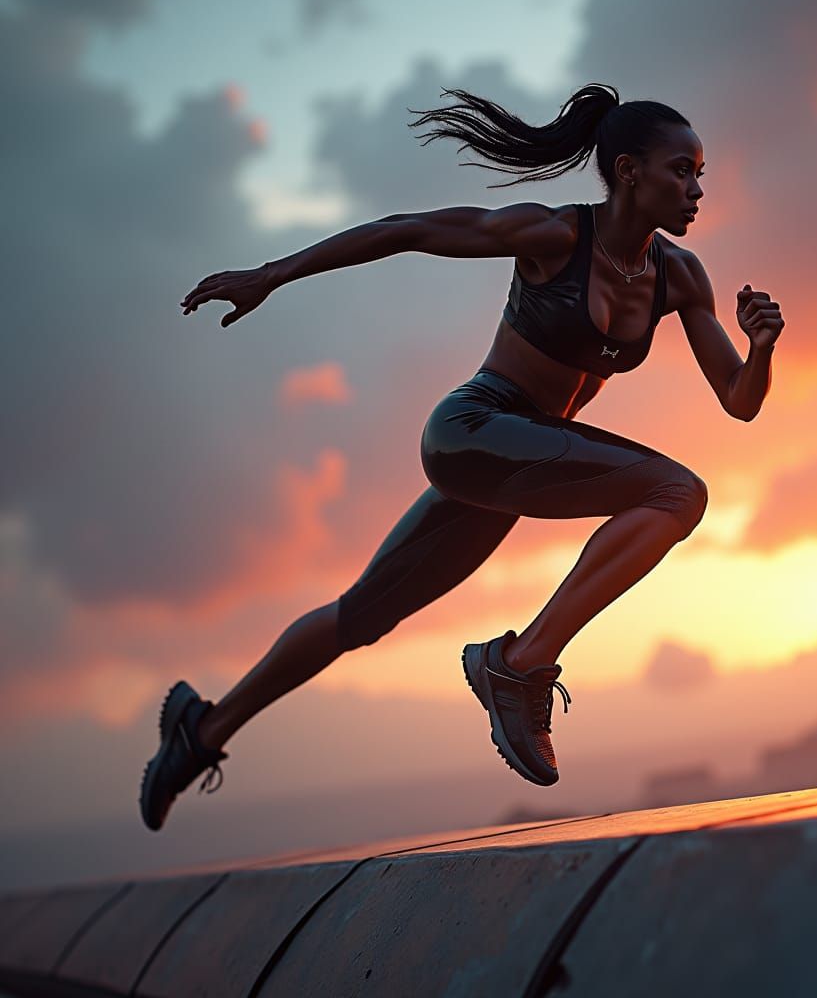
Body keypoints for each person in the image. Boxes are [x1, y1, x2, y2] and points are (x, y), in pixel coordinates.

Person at [140, 82, 784, 831]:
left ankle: (201, 732)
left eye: (701, 172)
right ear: (630, 171)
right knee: (677, 494)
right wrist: (272, 274)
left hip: (514, 468)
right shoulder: (552, 237)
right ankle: (520, 666)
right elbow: (409, 229)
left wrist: (762, 349)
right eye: (682, 170)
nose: (697, 188)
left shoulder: (681, 277)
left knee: (360, 616)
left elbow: (739, 398)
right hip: (473, 430)